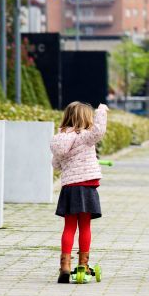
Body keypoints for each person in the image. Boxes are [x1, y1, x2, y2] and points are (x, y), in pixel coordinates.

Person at [50, 101, 108, 283]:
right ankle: (83, 263)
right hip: (87, 186)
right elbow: (98, 131)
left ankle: (65, 266)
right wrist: (101, 111)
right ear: (85, 118)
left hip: (69, 187)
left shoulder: (60, 138)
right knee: (84, 226)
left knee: (69, 227)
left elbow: (56, 164)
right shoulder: (84, 136)